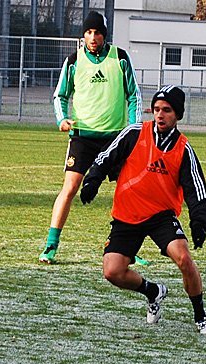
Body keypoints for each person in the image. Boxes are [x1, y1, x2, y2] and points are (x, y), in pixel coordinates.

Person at [80, 85, 206, 334]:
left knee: (184, 259)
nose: (160, 115)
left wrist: (200, 221)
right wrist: (92, 181)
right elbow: (104, 157)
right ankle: (153, 291)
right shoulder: (134, 133)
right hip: (127, 214)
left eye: (167, 110)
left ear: (178, 115)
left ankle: (201, 316)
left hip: (160, 216)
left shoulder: (183, 149)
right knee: (112, 272)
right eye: (156, 109)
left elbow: (196, 189)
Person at [39, 11, 144, 265]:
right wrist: (62, 119)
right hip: (82, 138)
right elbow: (60, 95)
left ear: (104, 35)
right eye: (88, 32)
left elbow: (134, 95)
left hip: (115, 138)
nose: (93, 37)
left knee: (128, 191)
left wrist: (133, 129)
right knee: (70, 188)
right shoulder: (74, 60)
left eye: (97, 32)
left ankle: (129, 248)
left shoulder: (120, 58)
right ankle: (51, 245)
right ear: (83, 35)